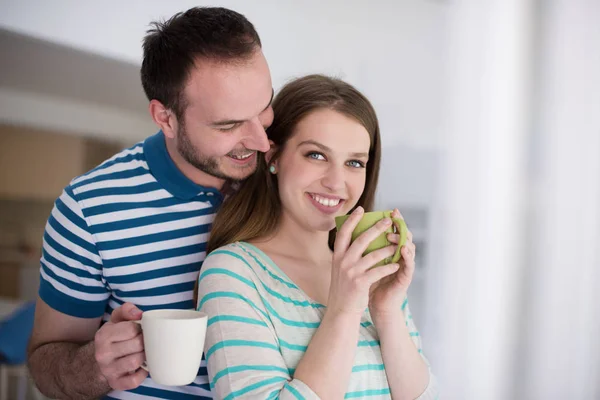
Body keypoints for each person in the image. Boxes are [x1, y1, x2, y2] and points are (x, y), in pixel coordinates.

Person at [26, 7, 274, 400]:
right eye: (228, 125)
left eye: (264, 108)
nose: (261, 141)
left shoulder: (285, 178)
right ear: (166, 117)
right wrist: (95, 364)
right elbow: (45, 362)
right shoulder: (88, 208)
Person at [196, 74, 438, 399]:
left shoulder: (367, 272)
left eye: (354, 162)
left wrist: (386, 310)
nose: (337, 183)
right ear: (274, 157)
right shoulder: (232, 272)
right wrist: (344, 309)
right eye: (317, 155)